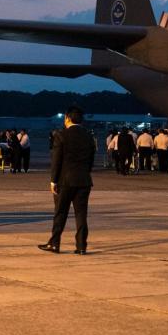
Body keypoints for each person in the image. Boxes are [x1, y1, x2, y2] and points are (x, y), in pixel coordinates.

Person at [39, 106, 95, 255]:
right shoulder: (88, 136)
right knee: (81, 214)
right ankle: (81, 246)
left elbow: (56, 160)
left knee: (60, 213)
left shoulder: (61, 135)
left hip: (65, 181)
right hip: (84, 180)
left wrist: (53, 181)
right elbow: (91, 160)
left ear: (67, 118)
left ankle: (55, 243)